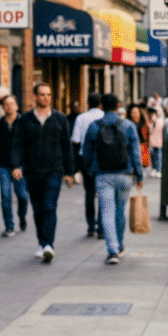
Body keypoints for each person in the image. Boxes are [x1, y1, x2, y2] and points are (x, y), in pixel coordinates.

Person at [11, 83, 75, 263]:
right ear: (35, 97)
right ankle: (42, 242)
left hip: (54, 169)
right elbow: (18, 144)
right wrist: (16, 165)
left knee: (49, 206)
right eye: (42, 94)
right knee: (38, 209)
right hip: (32, 170)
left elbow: (67, 145)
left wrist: (69, 171)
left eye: (48, 94)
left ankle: (48, 245)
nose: (46, 98)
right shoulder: (25, 119)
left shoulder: (59, 118)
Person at [82, 94, 144, 265]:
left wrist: (89, 169)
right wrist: (139, 175)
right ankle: (120, 244)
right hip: (125, 175)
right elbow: (135, 152)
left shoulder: (94, 126)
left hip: (103, 175)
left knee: (107, 212)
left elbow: (86, 151)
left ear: (101, 106)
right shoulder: (128, 125)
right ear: (118, 106)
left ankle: (113, 250)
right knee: (120, 211)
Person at [70, 93, 105, 238]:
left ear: (87, 103)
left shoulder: (81, 118)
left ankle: (91, 226)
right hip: (103, 160)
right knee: (103, 194)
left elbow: (76, 141)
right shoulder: (104, 116)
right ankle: (101, 227)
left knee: (89, 193)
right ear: (100, 104)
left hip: (86, 159)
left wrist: (74, 166)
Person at [0, 95, 29, 236]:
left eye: (12, 104)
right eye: (6, 104)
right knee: (5, 195)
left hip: (20, 165)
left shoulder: (24, 123)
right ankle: (9, 226)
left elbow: (28, 145)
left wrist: (20, 165)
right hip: (3, 165)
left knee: (22, 195)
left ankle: (22, 215)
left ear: (17, 106)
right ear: (3, 107)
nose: (9, 106)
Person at [147, 107, 164, 178]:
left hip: (158, 141)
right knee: (154, 156)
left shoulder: (159, 121)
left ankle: (158, 170)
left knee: (158, 156)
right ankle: (155, 169)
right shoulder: (149, 121)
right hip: (153, 141)